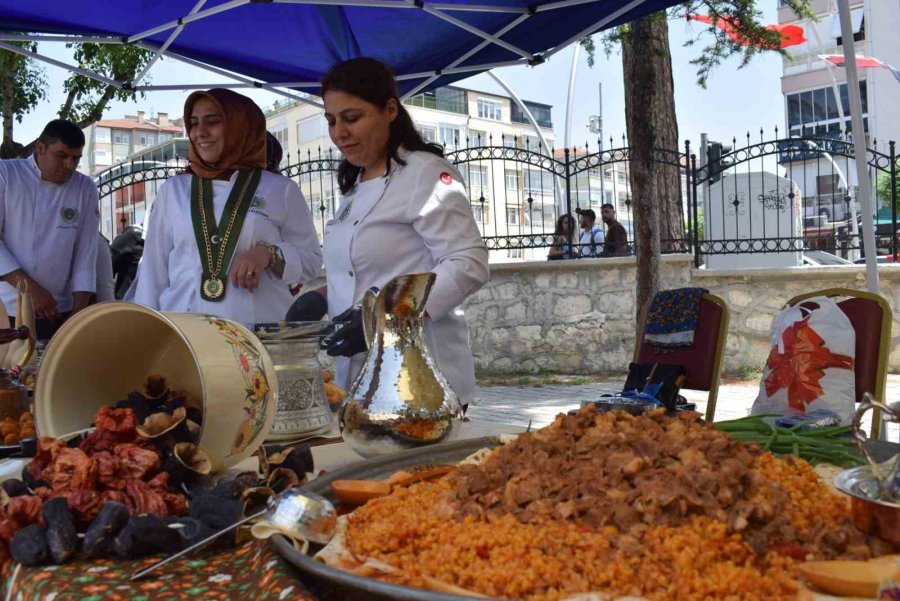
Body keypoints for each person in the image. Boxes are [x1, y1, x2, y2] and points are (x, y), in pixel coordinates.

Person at [286, 57, 489, 406]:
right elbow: (365, 269)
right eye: (331, 121)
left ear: (390, 110)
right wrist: (320, 296)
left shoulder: (424, 173)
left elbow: (468, 262)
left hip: (421, 380)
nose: (339, 133)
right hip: (359, 380)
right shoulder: (356, 184)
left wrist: (382, 316)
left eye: (352, 118)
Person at [135, 88, 322, 326]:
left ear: (239, 126)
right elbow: (153, 272)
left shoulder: (280, 189)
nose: (200, 132)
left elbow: (313, 262)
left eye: (212, 122)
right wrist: (144, 332)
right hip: (185, 333)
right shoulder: (174, 190)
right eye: (193, 124)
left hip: (258, 335)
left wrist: (270, 253)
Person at [0, 119, 100, 339]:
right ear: (40, 147)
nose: (69, 166)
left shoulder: (85, 187)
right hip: (6, 308)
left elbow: (86, 253)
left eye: (76, 158)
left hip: (58, 310)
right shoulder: (6, 174)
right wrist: (32, 291)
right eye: (61, 156)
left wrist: (78, 313)